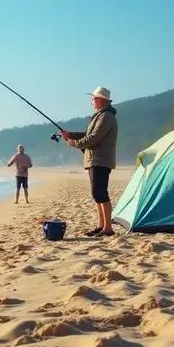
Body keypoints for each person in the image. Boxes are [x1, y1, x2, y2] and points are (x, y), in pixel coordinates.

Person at [60, 86, 118, 237]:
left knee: (100, 193)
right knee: (96, 194)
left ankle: (108, 228)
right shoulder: (100, 115)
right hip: (94, 159)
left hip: (100, 159)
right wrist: (69, 134)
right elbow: (88, 134)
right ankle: (101, 226)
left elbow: (94, 137)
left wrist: (75, 143)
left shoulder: (106, 117)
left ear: (100, 100)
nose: (91, 101)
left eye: (93, 99)